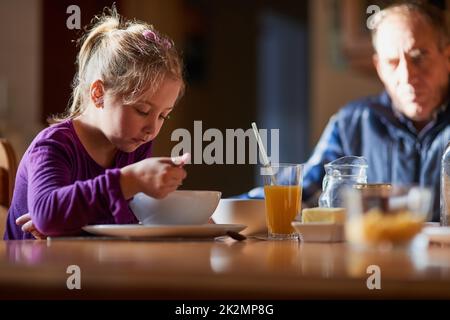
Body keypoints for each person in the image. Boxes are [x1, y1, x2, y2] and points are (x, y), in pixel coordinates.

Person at [244, 1, 450, 222]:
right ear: (379, 67)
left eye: (419, 57)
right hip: (374, 256)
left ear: (447, 56)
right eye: (392, 62)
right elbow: (301, 191)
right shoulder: (351, 123)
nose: (407, 76)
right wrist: (231, 209)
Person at [4, 8, 188, 240]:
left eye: (163, 116)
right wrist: (130, 181)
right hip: (33, 273)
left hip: (92, 268)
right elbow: (47, 215)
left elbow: (119, 222)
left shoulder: (134, 145)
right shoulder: (53, 146)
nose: (152, 129)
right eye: (142, 111)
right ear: (99, 93)